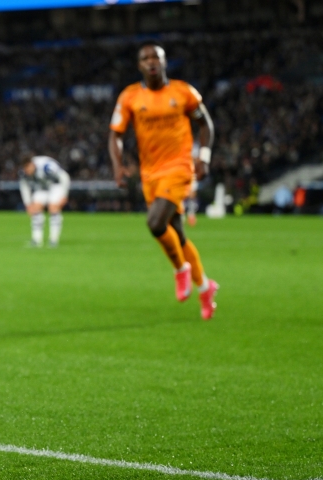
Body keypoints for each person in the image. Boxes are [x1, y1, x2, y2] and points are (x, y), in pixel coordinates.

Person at [108, 42, 219, 320]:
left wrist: (203, 157)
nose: (151, 61)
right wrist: (119, 166)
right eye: (145, 58)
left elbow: (205, 124)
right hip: (150, 174)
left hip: (179, 168)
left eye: (155, 57)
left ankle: (180, 269)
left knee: (155, 223)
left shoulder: (183, 92)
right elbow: (115, 135)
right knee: (178, 236)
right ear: (139, 65)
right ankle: (205, 287)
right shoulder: (130, 96)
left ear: (164, 61)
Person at [19, 155, 70, 248]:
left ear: (32, 164)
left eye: (28, 168)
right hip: (42, 187)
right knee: (35, 208)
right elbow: (24, 187)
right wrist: (28, 204)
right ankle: (37, 240)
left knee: (53, 207)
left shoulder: (47, 167)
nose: (27, 171)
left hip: (56, 185)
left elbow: (64, 177)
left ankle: (53, 240)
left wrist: (64, 195)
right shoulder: (24, 173)